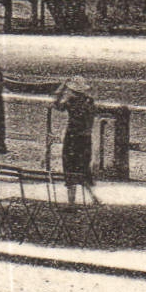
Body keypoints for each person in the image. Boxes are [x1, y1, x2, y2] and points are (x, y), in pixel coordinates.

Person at [53, 75, 99, 205]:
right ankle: (93, 196)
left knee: (69, 167)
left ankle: (71, 201)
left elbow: (56, 105)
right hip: (85, 137)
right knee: (83, 167)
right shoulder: (90, 102)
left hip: (72, 137)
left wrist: (61, 88)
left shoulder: (70, 101)